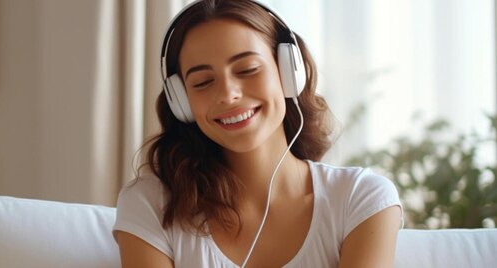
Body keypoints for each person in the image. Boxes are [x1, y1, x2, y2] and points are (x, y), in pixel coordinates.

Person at [113, 0, 403, 267]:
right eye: (203, 82)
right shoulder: (151, 204)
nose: (228, 95)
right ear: (182, 102)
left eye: (248, 69)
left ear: (289, 72)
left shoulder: (360, 198)